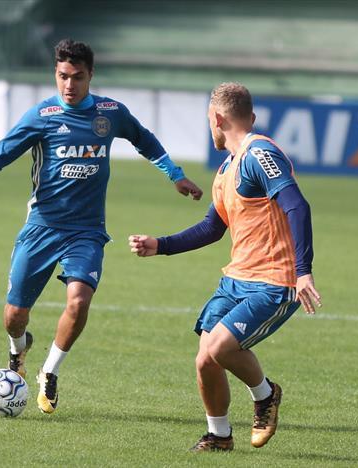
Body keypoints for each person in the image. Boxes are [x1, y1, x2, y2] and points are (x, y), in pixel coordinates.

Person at [0, 39, 203, 414]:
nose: (69, 85)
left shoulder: (110, 113)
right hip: (42, 227)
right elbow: (0, 154)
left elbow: (144, 139)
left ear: (91, 75)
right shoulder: (42, 115)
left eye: (77, 77)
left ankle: (50, 372)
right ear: (54, 74)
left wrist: (176, 175)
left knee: (79, 300)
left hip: (87, 231)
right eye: (62, 76)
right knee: (13, 317)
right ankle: (17, 350)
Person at [129, 82, 321, 452]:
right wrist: (160, 245)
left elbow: (298, 205)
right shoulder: (227, 168)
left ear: (216, 119)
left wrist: (303, 271)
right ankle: (219, 436)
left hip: (274, 281)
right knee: (205, 359)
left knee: (219, 348)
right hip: (235, 281)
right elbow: (213, 228)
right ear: (249, 116)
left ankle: (265, 395)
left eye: (208, 121)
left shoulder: (259, 154)